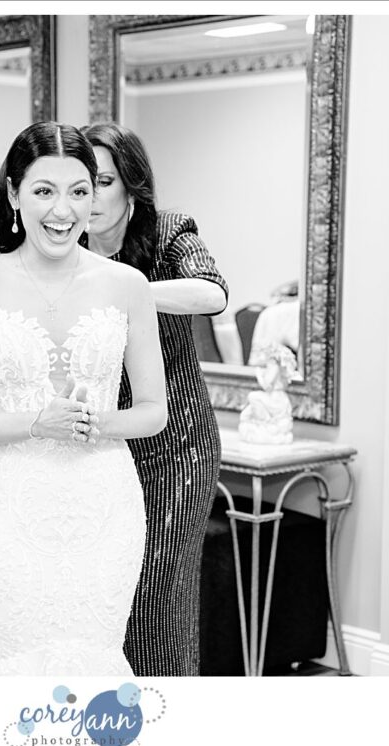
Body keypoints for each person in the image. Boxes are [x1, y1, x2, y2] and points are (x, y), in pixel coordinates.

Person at [0, 121, 168, 675]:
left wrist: (98, 423)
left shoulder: (128, 285)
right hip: (10, 507)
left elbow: (154, 411)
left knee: (94, 663)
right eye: (44, 191)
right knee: (14, 663)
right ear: (13, 193)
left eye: (79, 191)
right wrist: (36, 423)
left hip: (103, 506)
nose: (63, 210)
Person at [81, 122, 229, 677]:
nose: (89, 198)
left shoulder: (169, 232)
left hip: (176, 448)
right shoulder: (67, 248)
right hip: (102, 444)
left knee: (159, 594)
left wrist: (126, 289)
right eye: (81, 184)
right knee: (105, 592)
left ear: (131, 186)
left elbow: (212, 293)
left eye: (102, 182)